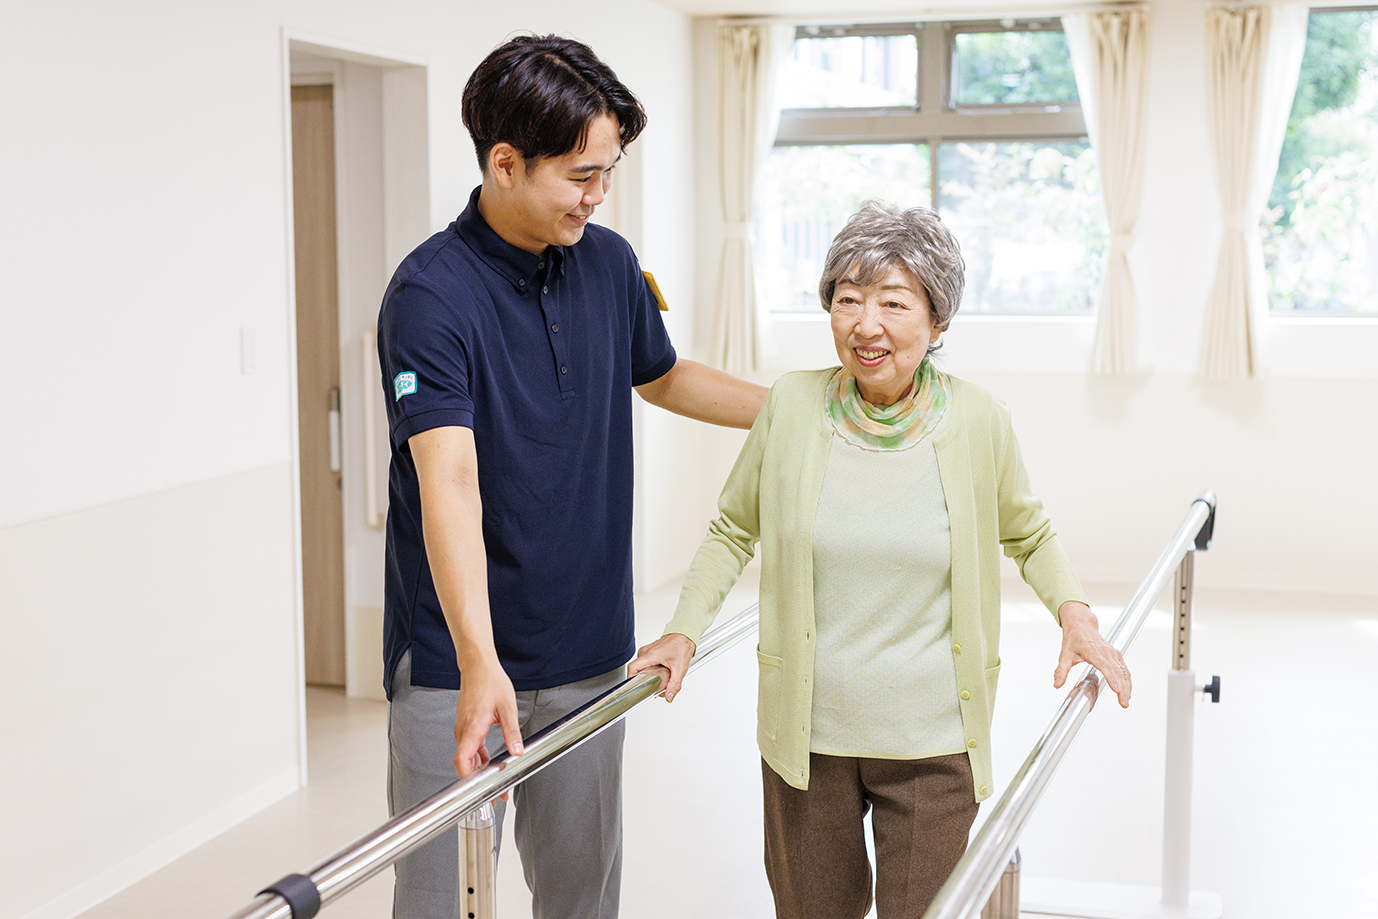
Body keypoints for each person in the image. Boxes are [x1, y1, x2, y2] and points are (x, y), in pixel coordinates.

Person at [630, 201, 1133, 919]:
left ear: (937, 322)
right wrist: (682, 629)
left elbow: (1029, 532)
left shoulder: (979, 419)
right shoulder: (792, 407)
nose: (865, 324)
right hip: (807, 742)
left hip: (933, 741)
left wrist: (1077, 617)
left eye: (892, 302)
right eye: (847, 299)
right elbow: (733, 528)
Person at [377, 34, 766, 919]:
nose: (598, 195)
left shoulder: (609, 260)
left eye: (609, 172)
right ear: (504, 163)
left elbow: (661, 373)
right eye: (580, 175)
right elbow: (450, 481)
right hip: (454, 663)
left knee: (582, 898)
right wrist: (480, 660)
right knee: (437, 899)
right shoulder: (430, 296)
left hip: (589, 648)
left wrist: (797, 406)